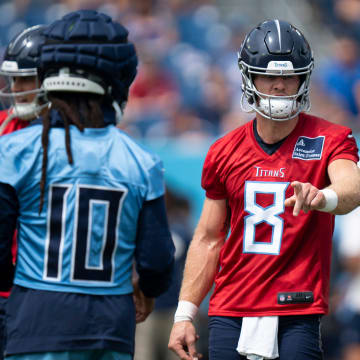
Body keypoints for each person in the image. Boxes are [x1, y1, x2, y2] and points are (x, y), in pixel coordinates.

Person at [168, 19, 360, 360]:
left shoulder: (330, 138)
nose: (280, 86)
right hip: (232, 307)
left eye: (289, 77)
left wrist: (323, 197)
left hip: (297, 306)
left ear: (303, 78)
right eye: (269, 76)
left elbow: (352, 187)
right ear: (249, 78)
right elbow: (210, 237)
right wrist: (184, 313)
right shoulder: (224, 150)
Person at [0, 9, 175, 360]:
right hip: (109, 328)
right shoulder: (139, 160)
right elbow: (157, 261)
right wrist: (148, 289)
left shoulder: (14, 150)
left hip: (35, 322)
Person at [0, 24, 48, 360]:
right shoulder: (4, 126)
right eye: (13, 80)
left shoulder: (78, 138)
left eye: (26, 80)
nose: (16, 89)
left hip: (44, 291)